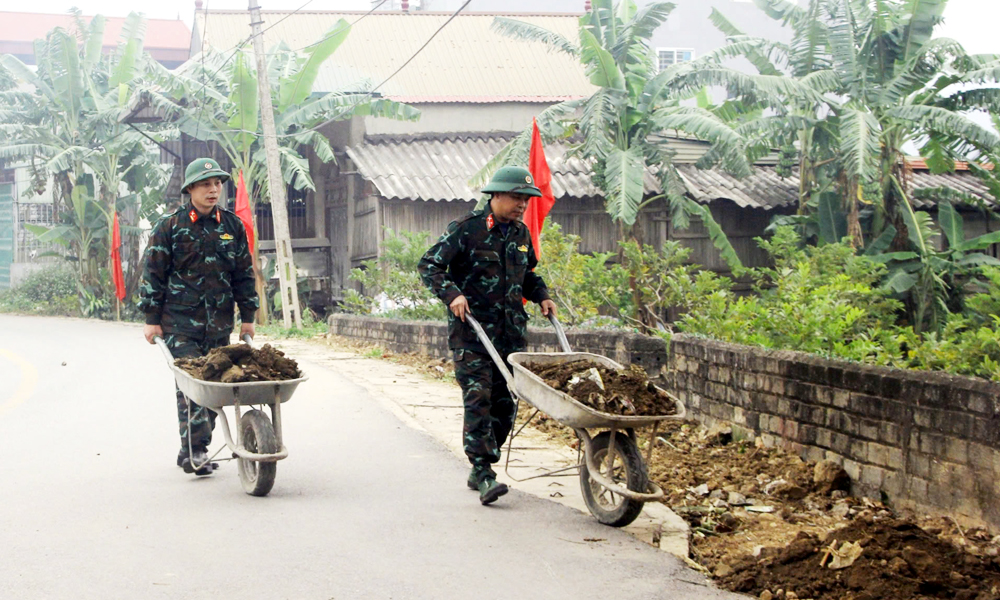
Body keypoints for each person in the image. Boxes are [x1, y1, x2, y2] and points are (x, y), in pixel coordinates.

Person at [419, 166, 558, 505]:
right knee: (478, 400)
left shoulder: (521, 235)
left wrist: (542, 295)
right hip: (473, 337)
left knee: (505, 405)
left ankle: (481, 462)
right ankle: (483, 471)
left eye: (525, 200)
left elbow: (529, 276)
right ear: (495, 196)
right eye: (515, 198)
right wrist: (453, 295)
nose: (521, 205)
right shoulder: (467, 230)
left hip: (510, 338)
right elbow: (429, 265)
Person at [138, 157, 259, 476]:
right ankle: (196, 450)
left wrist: (248, 315)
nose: (213, 189)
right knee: (192, 386)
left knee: (215, 385)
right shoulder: (170, 226)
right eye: (206, 184)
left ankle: (191, 447)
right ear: (190, 188)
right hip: (180, 324)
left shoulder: (232, 226)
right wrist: (152, 319)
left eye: (218, 183)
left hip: (219, 323)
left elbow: (244, 274)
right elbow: (153, 274)